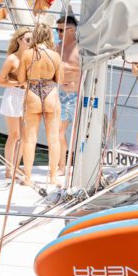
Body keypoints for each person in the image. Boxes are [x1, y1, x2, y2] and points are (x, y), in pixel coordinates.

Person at [17, 23, 63, 186]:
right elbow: (59, 79)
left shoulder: (27, 54)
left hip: (32, 93)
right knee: (54, 139)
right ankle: (52, 177)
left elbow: (21, 79)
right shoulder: (55, 55)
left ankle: (28, 178)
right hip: (50, 91)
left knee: (30, 139)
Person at [0, 27, 32, 178]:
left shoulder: (31, 57)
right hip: (13, 96)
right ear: (19, 40)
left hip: (26, 98)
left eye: (33, 40)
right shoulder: (12, 59)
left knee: (25, 136)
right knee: (14, 135)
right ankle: (8, 169)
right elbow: (0, 81)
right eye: (28, 40)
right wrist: (18, 83)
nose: (31, 43)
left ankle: (16, 167)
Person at [57, 15, 80, 176]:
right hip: (61, 94)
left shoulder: (80, 49)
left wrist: (66, 67)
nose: (57, 33)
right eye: (56, 30)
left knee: (78, 133)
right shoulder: (57, 48)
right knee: (59, 132)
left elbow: (85, 69)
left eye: (60, 30)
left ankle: (78, 166)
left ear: (72, 30)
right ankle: (61, 167)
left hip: (76, 95)